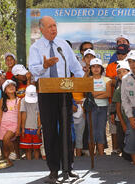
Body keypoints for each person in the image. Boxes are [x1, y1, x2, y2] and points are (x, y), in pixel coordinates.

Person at [28, 16, 84, 183]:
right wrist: (44, 66)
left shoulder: (63, 45)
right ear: (42, 29)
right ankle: (53, 169)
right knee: (50, 131)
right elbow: (33, 69)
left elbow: (74, 65)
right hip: (46, 93)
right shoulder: (36, 47)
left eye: (55, 26)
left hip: (64, 92)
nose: (53, 29)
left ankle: (68, 167)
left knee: (67, 130)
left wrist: (82, 82)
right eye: (50, 26)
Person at [121, 50, 135, 167]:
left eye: (134, 61)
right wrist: (130, 117)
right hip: (133, 112)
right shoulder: (125, 79)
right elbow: (125, 100)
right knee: (133, 140)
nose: (132, 64)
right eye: (129, 62)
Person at [88, 58, 111, 155]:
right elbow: (89, 94)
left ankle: (101, 156)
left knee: (101, 131)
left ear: (101, 68)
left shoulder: (107, 80)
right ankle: (91, 156)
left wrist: (95, 94)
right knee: (91, 131)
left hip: (103, 108)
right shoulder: (88, 80)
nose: (96, 69)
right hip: (91, 108)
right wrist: (102, 92)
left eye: (98, 66)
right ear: (90, 69)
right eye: (93, 66)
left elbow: (108, 94)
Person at [0, 80, 21, 163]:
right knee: (5, 148)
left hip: (13, 124)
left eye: (13, 85)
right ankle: (9, 163)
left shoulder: (18, 100)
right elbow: (0, 115)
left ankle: (13, 151)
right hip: (3, 124)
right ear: (5, 90)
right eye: (8, 86)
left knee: (6, 138)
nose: (11, 87)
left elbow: (19, 116)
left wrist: (18, 128)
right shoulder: (2, 100)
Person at [111, 60, 131, 160]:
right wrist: (123, 124)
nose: (121, 74)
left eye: (124, 71)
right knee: (122, 141)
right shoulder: (118, 89)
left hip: (133, 119)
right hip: (121, 120)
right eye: (119, 72)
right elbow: (117, 109)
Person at [19, 85, 42, 160]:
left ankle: (35, 163)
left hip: (34, 127)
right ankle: (29, 164)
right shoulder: (23, 101)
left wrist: (39, 127)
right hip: (27, 127)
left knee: (36, 147)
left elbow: (39, 114)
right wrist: (23, 128)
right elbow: (23, 114)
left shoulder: (38, 100)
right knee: (28, 148)